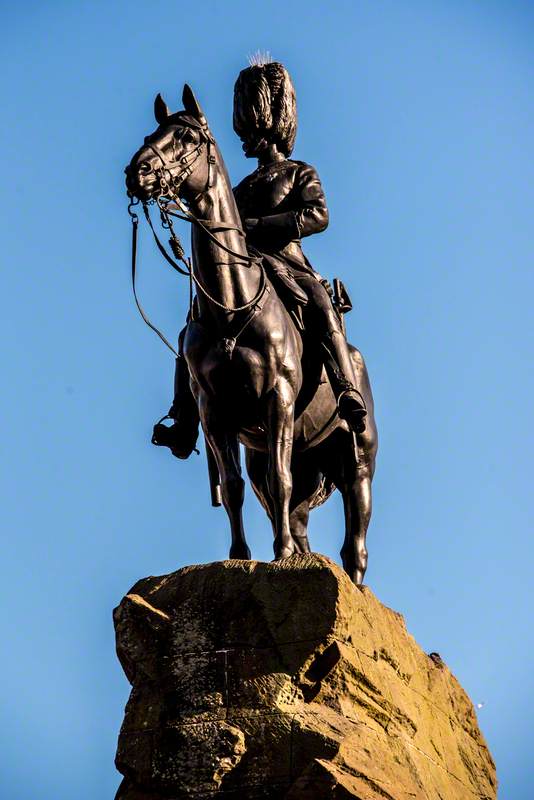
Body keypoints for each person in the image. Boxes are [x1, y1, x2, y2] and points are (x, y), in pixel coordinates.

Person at [154, 60, 366, 459]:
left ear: (269, 125)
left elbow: (317, 216)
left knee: (320, 304)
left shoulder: (299, 173)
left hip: (289, 265)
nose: (245, 139)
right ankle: (184, 418)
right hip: (246, 269)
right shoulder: (237, 187)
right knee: (191, 331)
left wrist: (258, 224)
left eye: (252, 129)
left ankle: (345, 388)